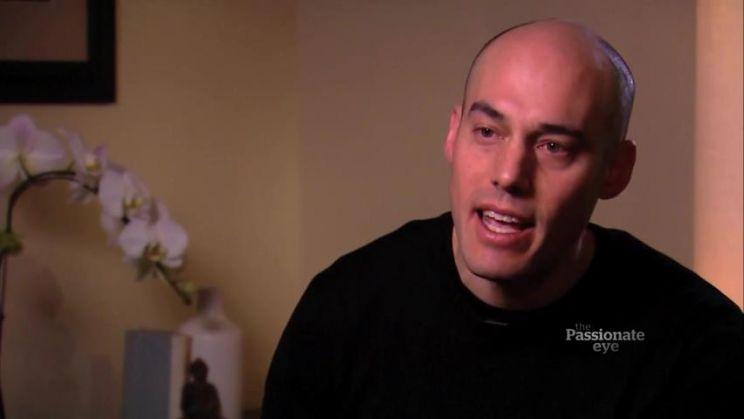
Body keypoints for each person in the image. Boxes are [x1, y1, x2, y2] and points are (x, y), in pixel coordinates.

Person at [262, 20, 742, 418]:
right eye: (488, 132)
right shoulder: (343, 311)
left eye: (553, 146)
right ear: (453, 135)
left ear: (615, 170)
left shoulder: (697, 346)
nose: (510, 175)